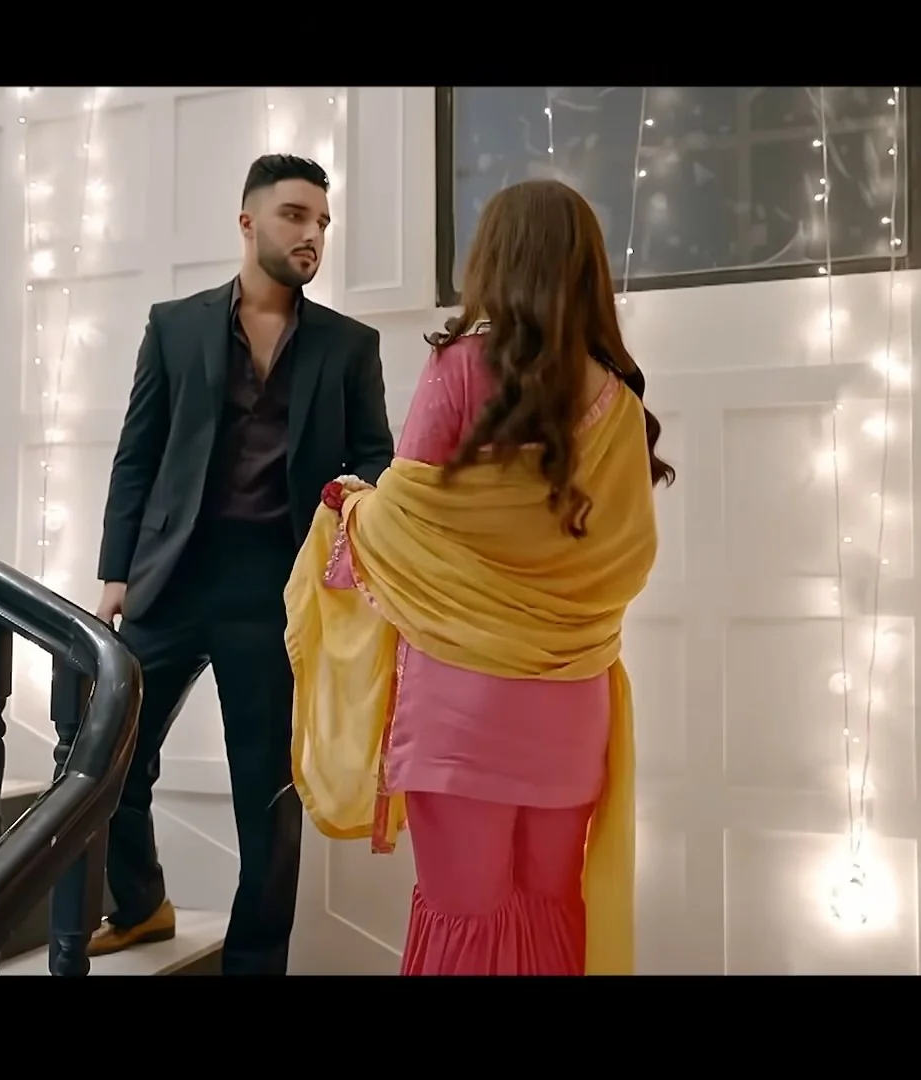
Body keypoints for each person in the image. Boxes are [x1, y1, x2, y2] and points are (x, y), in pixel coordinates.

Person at [284, 178, 675, 976]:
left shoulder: (460, 367)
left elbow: (405, 518)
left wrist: (351, 505)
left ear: (495, 259)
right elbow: (627, 559)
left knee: (463, 917)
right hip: (572, 705)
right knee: (554, 910)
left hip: (461, 704)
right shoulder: (620, 401)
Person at [91, 153, 396, 975]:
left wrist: (349, 503)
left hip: (276, 590)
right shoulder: (175, 326)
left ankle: (256, 962)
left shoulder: (349, 346)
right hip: (171, 577)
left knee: (267, 794)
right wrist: (116, 570)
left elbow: (376, 457)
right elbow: (136, 455)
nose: (312, 234)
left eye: (322, 221)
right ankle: (140, 902)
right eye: (295, 215)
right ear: (248, 221)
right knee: (107, 757)